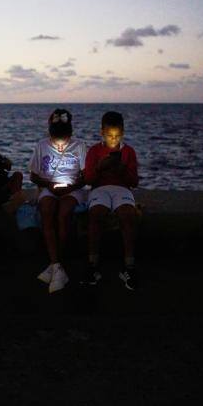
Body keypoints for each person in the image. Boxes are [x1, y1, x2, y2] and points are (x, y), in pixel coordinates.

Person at [29, 108, 87, 293]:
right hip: (49, 187)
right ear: (50, 134)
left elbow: (86, 176)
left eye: (64, 140)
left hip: (72, 189)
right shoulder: (42, 145)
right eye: (56, 140)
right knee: (46, 210)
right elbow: (33, 176)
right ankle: (56, 265)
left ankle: (56, 262)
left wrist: (72, 187)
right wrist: (49, 184)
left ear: (71, 134)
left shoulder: (79, 146)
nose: (60, 144)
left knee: (63, 213)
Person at [82, 111, 139, 290]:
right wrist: (100, 167)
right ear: (102, 132)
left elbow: (134, 181)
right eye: (109, 135)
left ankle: (129, 265)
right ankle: (93, 263)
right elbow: (88, 179)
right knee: (96, 213)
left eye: (116, 135)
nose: (113, 140)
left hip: (122, 189)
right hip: (100, 189)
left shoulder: (128, 152)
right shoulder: (94, 150)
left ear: (122, 132)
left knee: (127, 214)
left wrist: (121, 169)